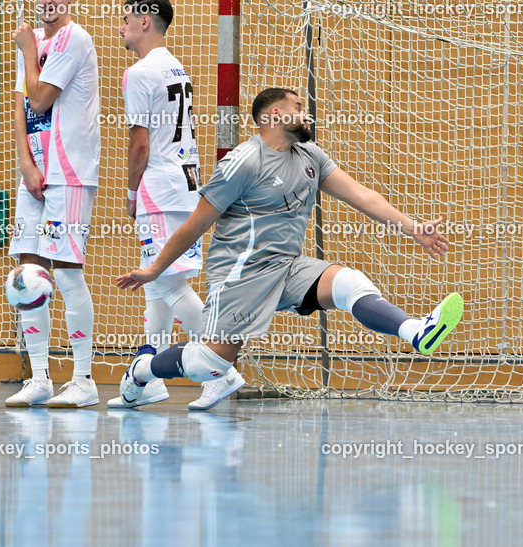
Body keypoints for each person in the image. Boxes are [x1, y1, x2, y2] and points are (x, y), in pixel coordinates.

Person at [116, 88, 462, 409]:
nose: (306, 113)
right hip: (240, 274)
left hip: (288, 266)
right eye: (298, 107)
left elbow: (361, 195)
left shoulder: (311, 156)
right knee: (210, 363)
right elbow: (197, 222)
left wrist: (412, 227)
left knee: (350, 283)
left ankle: (416, 331)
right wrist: (156, 269)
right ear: (276, 115)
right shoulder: (243, 162)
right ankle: (142, 371)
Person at [107, 0, 235, 410]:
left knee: (166, 281)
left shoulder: (139, 72)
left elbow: (139, 144)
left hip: (159, 188)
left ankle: (222, 370)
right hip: (185, 184)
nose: (121, 28)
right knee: (156, 282)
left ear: (145, 21)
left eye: (126, 19)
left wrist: (131, 192)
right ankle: (150, 379)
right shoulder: (176, 67)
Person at [5, 0, 101, 408]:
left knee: (65, 271)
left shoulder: (72, 39)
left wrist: (28, 50)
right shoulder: (34, 42)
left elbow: (41, 97)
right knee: (27, 273)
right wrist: (25, 163)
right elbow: (21, 107)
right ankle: (40, 377)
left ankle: (83, 380)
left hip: (69, 171)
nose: (47, 0)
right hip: (35, 172)